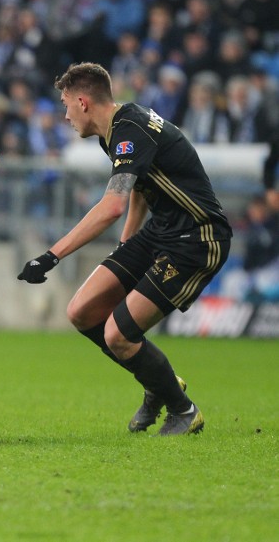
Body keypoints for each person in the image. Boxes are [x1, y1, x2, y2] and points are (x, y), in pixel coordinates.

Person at [18, 62, 233, 436]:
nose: (65, 115)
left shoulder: (128, 131)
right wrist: (125, 246)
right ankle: (160, 383)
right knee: (81, 311)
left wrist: (51, 255)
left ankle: (183, 410)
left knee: (119, 334)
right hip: (159, 232)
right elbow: (139, 187)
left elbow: (112, 205)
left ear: (83, 102)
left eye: (66, 105)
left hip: (197, 240)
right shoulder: (115, 128)